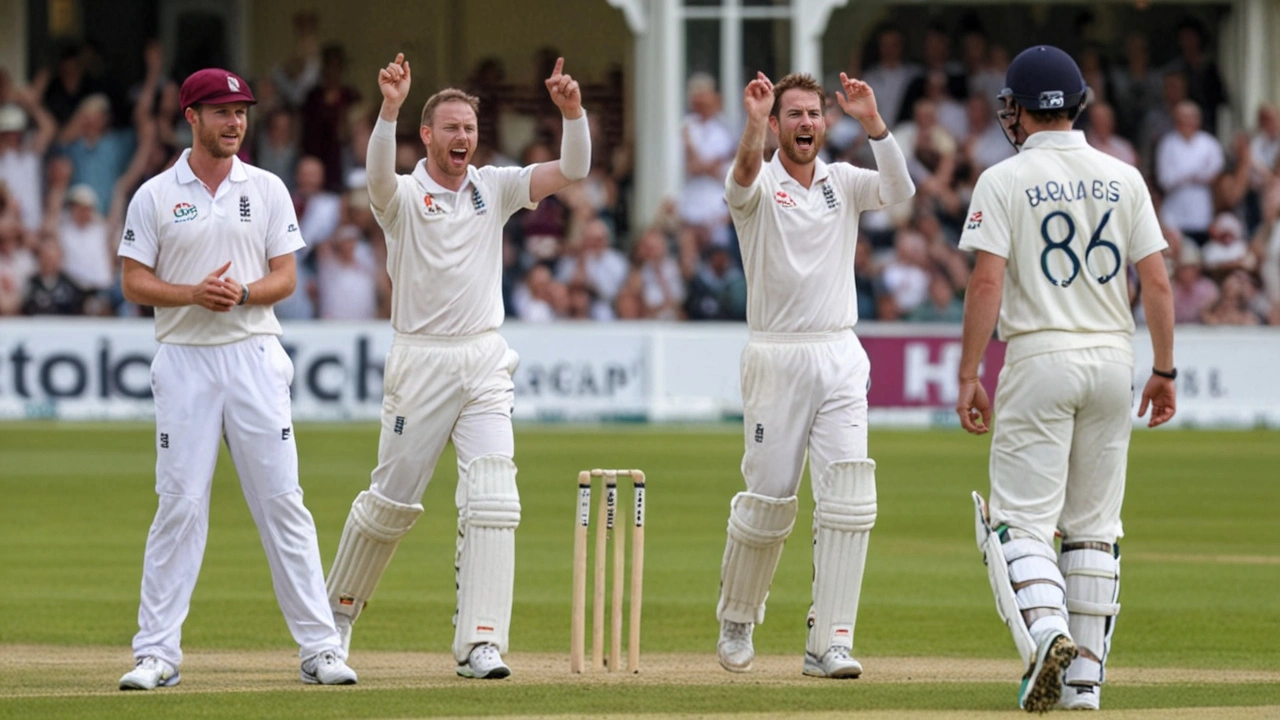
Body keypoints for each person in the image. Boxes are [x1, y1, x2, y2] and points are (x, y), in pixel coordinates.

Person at [324, 52, 590, 679]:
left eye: (469, 128)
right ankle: (331, 623)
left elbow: (574, 168)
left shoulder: (493, 187)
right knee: (390, 504)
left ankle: (481, 642)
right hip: (420, 361)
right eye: (451, 127)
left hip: (484, 358)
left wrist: (572, 111)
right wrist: (388, 106)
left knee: (495, 498)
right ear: (427, 135)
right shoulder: (404, 196)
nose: (462, 138)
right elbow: (375, 179)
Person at [115, 67, 357, 690]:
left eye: (241, 112)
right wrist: (192, 294)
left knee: (283, 503)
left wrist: (243, 292)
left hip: (253, 355)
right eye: (221, 112)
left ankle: (320, 649)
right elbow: (134, 281)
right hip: (186, 362)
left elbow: (285, 277)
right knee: (180, 506)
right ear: (190, 117)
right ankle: (157, 654)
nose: (235, 122)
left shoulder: (269, 187)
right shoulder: (155, 193)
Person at [953, 46, 1176, 713]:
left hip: (1041, 355)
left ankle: (1049, 635)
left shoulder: (1004, 179)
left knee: (1020, 524)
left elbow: (987, 279)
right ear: (1076, 104)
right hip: (1113, 356)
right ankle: (1084, 688)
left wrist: (969, 372)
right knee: (1093, 527)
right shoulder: (1123, 175)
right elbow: (1157, 281)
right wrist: (1164, 369)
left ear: (1020, 109)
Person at [713, 71, 914, 678]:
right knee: (770, 500)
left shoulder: (844, 182)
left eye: (813, 115)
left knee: (849, 499)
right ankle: (739, 615)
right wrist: (751, 120)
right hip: (777, 355)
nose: (805, 123)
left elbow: (900, 189)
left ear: (826, 124)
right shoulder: (755, 184)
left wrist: (874, 122)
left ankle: (829, 642)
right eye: (792, 115)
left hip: (840, 353)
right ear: (776, 126)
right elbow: (744, 175)